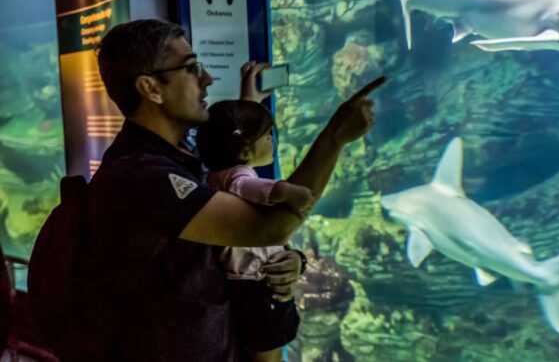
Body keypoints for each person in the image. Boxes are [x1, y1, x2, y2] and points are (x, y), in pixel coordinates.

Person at [72, 19, 384, 361]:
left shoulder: (178, 155)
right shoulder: (141, 176)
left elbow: (237, 205)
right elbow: (268, 227)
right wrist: (335, 137)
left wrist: (289, 261)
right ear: (151, 88)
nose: (207, 79)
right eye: (191, 68)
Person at [196, 98, 316, 362]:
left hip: (239, 276)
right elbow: (248, 187)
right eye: (267, 135)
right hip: (255, 278)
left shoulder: (212, 175)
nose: (272, 140)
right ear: (244, 150)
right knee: (268, 341)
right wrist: (289, 192)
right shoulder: (239, 175)